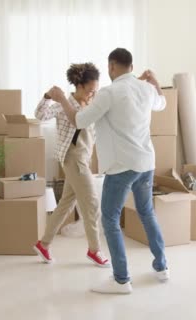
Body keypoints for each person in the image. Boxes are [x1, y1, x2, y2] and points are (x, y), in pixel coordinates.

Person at [46, 48, 168, 294]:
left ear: (112, 67)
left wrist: (60, 99)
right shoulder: (146, 89)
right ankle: (162, 266)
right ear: (131, 67)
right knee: (146, 212)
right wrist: (154, 81)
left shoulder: (109, 93)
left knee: (109, 218)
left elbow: (79, 121)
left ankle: (121, 280)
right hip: (147, 163)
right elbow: (162, 103)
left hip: (122, 166)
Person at [33, 63, 111, 268]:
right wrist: (48, 96)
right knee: (92, 204)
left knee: (65, 205)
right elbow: (40, 116)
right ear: (78, 85)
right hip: (73, 159)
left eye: (95, 90)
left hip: (83, 159)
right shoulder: (63, 104)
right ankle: (94, 250)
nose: (92, 94)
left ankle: (43, 244)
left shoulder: (92, 105)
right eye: (89, 90)